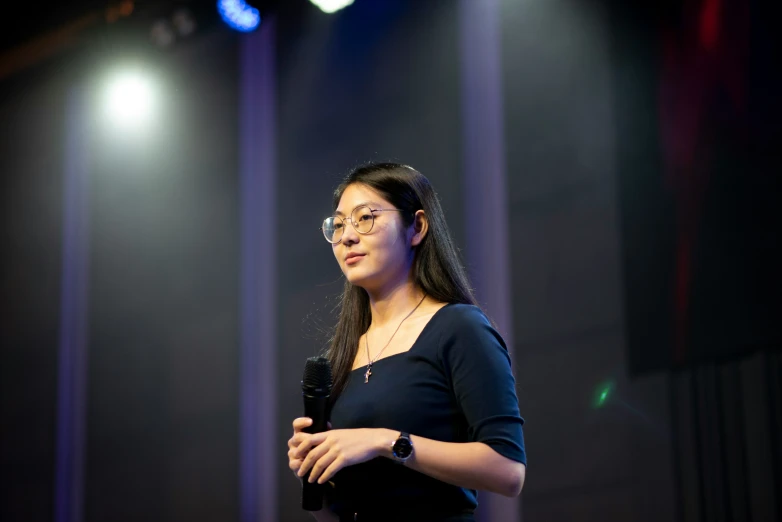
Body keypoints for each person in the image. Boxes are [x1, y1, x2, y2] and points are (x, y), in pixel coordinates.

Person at [287, 163, 526, 522]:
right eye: (338, 225)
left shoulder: (458, 328)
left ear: (417, 227)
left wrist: (386, 442)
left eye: (364, 218)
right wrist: (315, 469)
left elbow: (508, 471)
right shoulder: (343, 355)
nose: (348, 236)